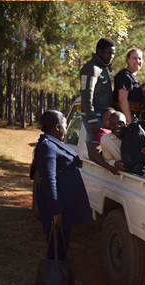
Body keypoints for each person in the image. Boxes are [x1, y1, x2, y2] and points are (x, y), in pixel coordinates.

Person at [34, 110, 92, 263]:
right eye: (66, 126)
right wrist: (56, 211)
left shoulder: (53, 142)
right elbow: (49, 180)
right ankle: (52, 282)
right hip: (56, 204)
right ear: (57, 127)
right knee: (57, 247)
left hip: (63, 201)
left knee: (61, 245)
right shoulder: (46, 146)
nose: (67, 130)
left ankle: (56, 279)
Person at [80, 38, 116, 142]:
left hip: (102, 117)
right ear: (99, 51)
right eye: (108, 53)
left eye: (113, 54)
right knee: (99, 150)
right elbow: (86, 94)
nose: (111, 56)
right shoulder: (91, 68)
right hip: (95, 118)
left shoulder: (102, 67)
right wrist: (92, 119)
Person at [113, 48, 144, 124]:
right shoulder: (125, 75)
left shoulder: (132, 76)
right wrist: (129, 120)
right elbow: (122, 99)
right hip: (123, 121)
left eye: (140, 58)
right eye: (134, 58)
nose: (137, 61)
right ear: (127, 60)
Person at [88, 107, 120, 175]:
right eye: (106, 119)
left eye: (112, 117)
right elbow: (93, 153)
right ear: (102, 122)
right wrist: (109, 167)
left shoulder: (119, 132)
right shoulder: (103, 132)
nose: (110, 120)